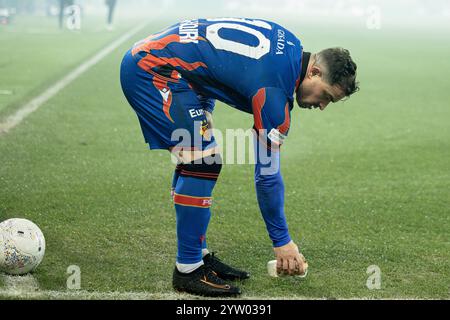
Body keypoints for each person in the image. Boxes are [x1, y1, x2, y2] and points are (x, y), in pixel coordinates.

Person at [120, 18, 358, 297]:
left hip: (178, 69)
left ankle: (198, 253)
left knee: (199, 159)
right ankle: (188, 268)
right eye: (326, 96)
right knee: (202, 162)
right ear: (315, 72)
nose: (322, 106)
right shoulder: (274, 94)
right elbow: (267, 177)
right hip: (153, 70)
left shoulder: (291, 44)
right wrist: (282, 242)